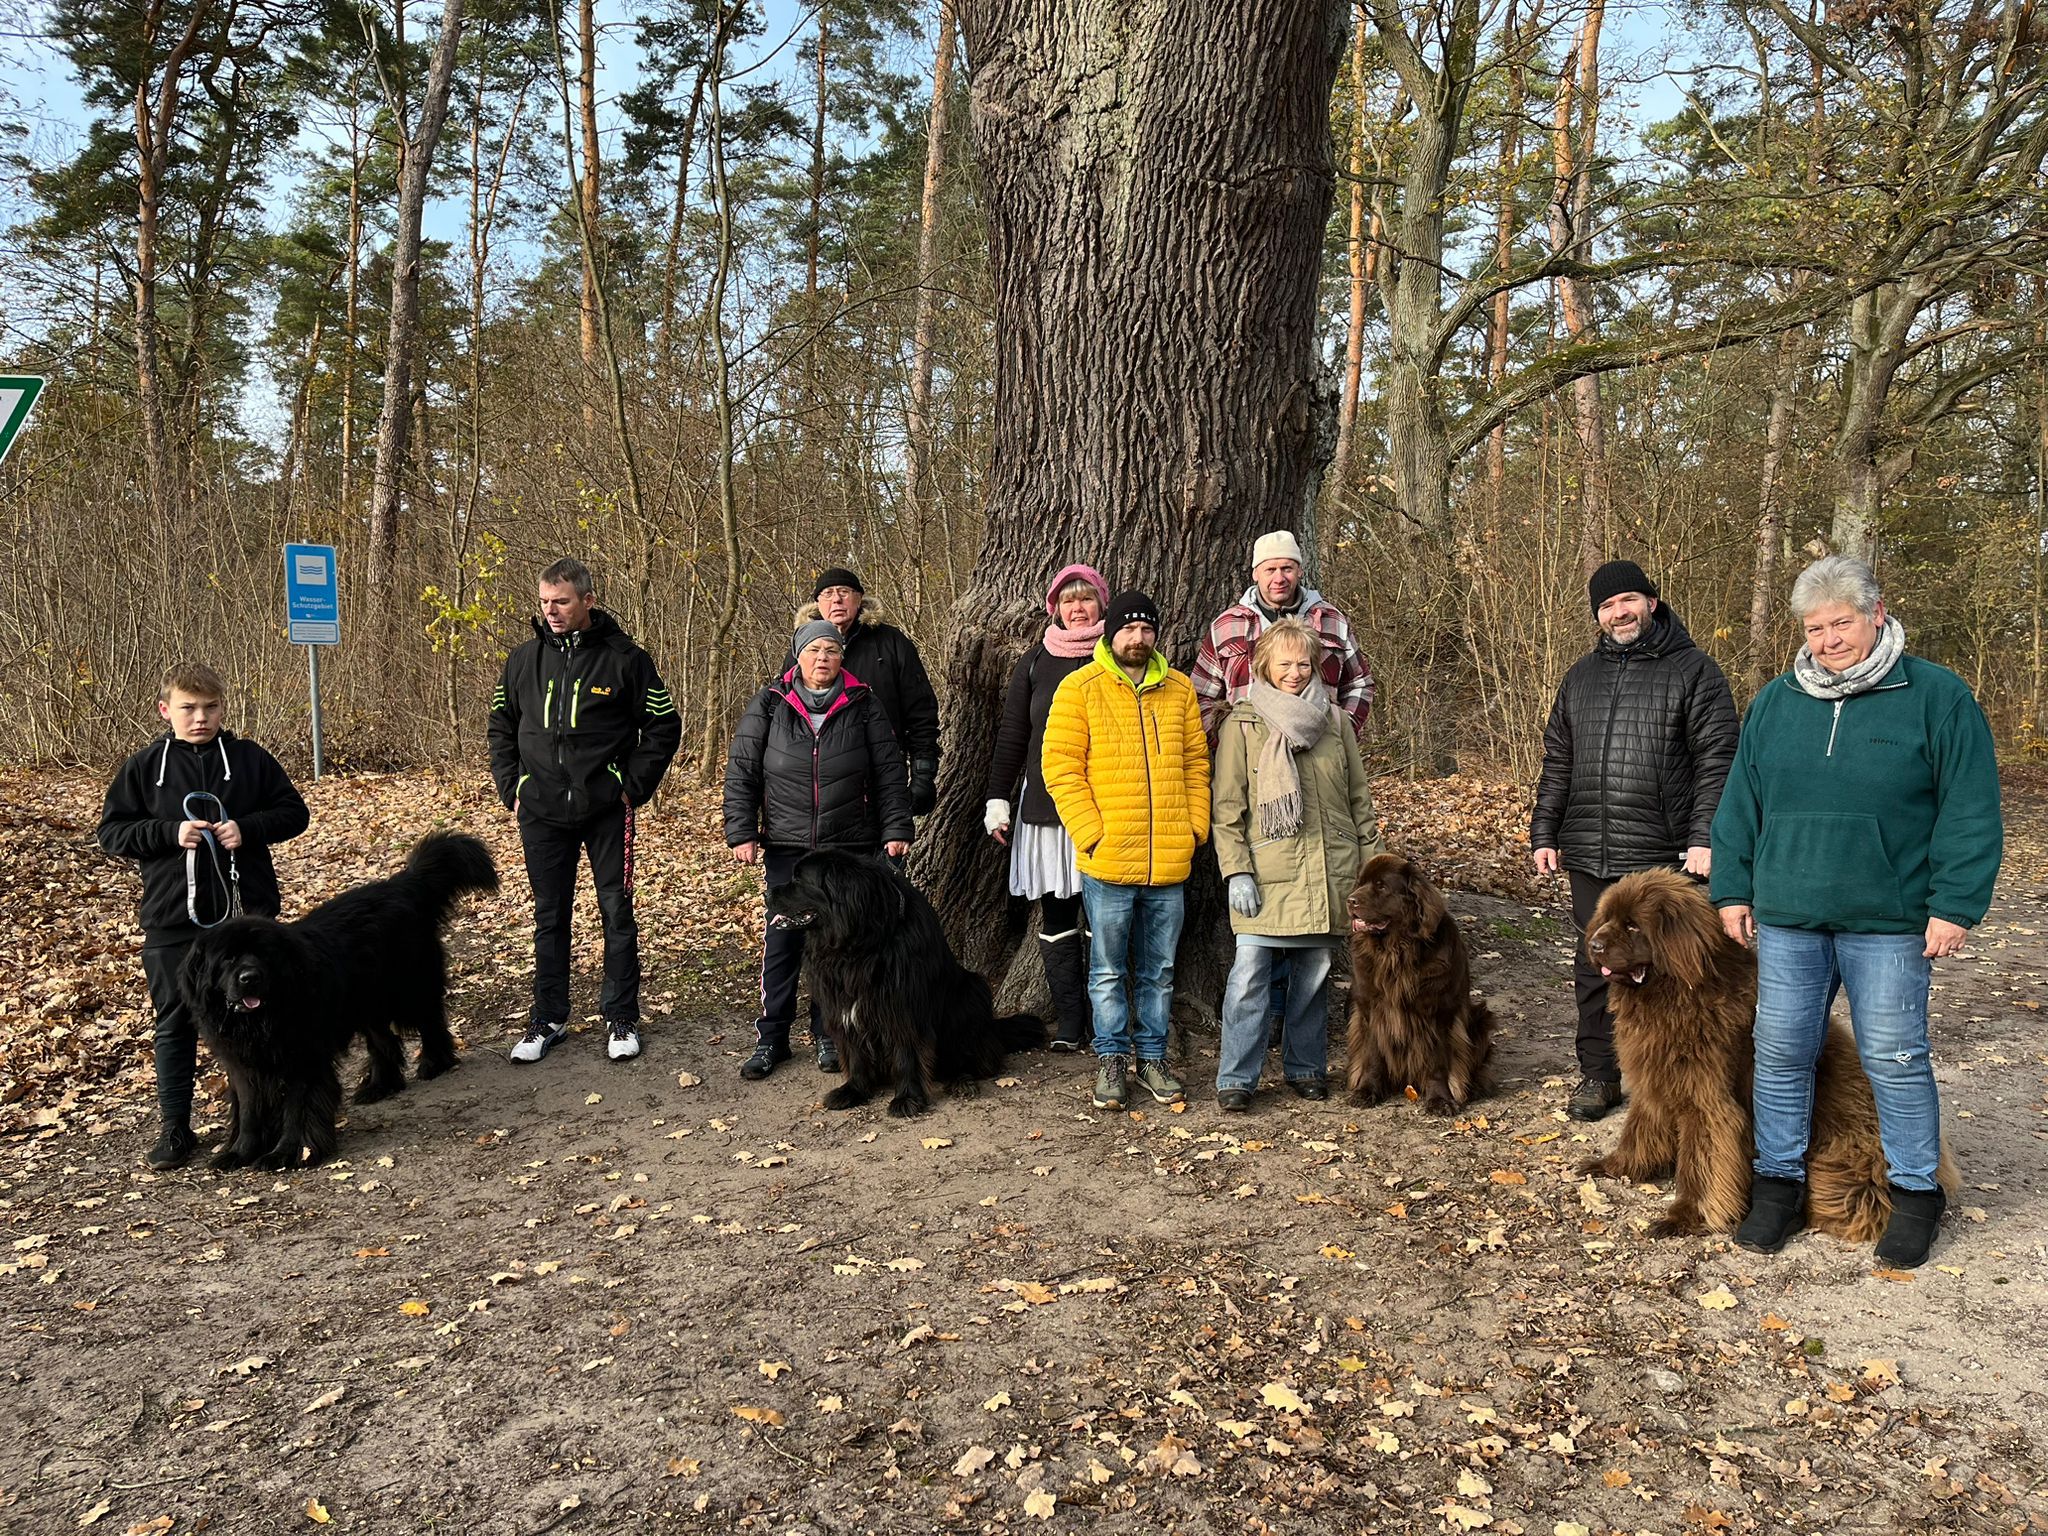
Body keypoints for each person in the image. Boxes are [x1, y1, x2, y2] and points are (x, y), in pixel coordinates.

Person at [1712, 555, 2001, 1269]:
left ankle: (1914, 1195)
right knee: (1781, 1054)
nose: (1829, 639)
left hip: (1890, 922)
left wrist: (1955, 905)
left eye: (1841, 622)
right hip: (1788, 918)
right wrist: (1734, 889)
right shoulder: (1777, 703)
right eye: (1815, 627)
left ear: (1875, 613)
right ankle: (1777, 1185)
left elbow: (1970, 809)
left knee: (1896, 1059)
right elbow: (1740, 804)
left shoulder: (1936, 696)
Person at [1530, 558, 1739, 1121]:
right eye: (1606, 606)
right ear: (1597, 616)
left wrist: (1705, 836)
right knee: (1595, 967)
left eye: (1627, 601)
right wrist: (1545, 830)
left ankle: (1675, 1081)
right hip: (1590, 853)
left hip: (1662, 857)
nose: (1618, 613)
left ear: (1651, 601)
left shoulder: (1695, 671)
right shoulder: (1580, 677)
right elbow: (1558, 761)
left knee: (1672, 971)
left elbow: (1718, 760)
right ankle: (1599, 1077)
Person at [98, 662, 309, 1169]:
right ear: (165, 709)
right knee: (175, 1021)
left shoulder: (250, 759)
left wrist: (248, 827)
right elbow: (112, 833)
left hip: (246, 916)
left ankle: (272, 1118)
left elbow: (294, 813)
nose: (200, 718)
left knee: (265, 1016)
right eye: (188, 708)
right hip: (173, 917)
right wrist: (168, 833)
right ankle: (175, 1128)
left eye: (210, 708)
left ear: (222, 708)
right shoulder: (145, 767)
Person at [489, 559, 681, 1066]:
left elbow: (664, 724)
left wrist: (628, 785)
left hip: (605, 811)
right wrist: (513, 785)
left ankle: (621, 1016)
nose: (551, 610)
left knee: (617, 913)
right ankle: (547, 1018)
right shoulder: (522, 660)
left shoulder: (626, 659)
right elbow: (500, 727)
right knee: (549, 915)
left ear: (588, 601)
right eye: (545, 601)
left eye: (562, 601)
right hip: (540, 811)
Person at [1190, 530, 1376, 1050]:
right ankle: (1253, 1051)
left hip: (1322, 783)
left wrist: (1339, 733)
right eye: (1269, 569)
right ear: (1255, 573)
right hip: (1258, 786)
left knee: (1312, 956)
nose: (1279, 577)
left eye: (1288, 569)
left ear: (1300, 571)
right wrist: (1235, 740)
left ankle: (1299, 1057)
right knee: (1256, 955)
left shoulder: (1330, 621)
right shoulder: (1229, 626)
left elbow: (1360, 682)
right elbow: (1203, 694)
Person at [1041, 591, 1211, 1110]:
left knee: (1159, 970)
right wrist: (1092, 833)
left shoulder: (1180, 689)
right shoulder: (1080, 687)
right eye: (1128, 629)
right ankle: (1111, 1059)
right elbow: (1061, 767)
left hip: (1169, 861)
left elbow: (1196, 764)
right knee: (1109, 969)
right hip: (1109, 859)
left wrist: (1194, 828)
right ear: (1110, 633)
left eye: (1146, 630)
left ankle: (1154, 1058)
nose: (1137, 639)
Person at [725, 617, 915, 1079]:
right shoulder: (770, 704)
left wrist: (896, 826)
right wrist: (742, 830)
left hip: (849, 846)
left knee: (843, 945)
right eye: (814, 651)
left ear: (841, 657)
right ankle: (772, 1038)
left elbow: (890, 771)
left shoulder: (864, 704)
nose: (823, 659)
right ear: (799, 656)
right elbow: (743, 770)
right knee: (783, 942)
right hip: (788, 848)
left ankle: (831, 1035)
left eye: (831, 650)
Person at [1210, 620, 1384, 1109]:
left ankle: (1305, 1068)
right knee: (1248, 979)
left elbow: (1359, 804)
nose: (1293, 672)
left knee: (1314, 975)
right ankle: (1237, 1078)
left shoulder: (1336, 723)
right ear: (1264, 665)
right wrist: (1236, 870)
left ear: (1315, 667)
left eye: (1302, 663)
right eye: (1283, 663)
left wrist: (1373, 878)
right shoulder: (1243, 722)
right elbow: (1227, 810)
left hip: (1332, 870)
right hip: (1267, 873)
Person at [984, 563, 1111, 1052]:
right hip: (1045, 811)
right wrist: (997, 799)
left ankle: (1107, 1025)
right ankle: (1071, 1024)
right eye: (1067, 600)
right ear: (1054, 608)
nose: (1077, 608)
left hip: (1106, 812)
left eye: (1086, 599)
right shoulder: (1036, 661)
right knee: (1058, 919)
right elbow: (1014, 734)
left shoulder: (1114, 656)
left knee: (1107, 924)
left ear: (1102, 604)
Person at [785, 567, 942, 816]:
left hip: (881, 779)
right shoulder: (803, 650)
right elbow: (783, 716)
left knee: (881, 854)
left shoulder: (892, 643)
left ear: (859, 599)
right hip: (814, 785)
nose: (836, 599)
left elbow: (921, 713)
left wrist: (923, 773)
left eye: (844, 592)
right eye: (828, 593)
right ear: (817, 603)